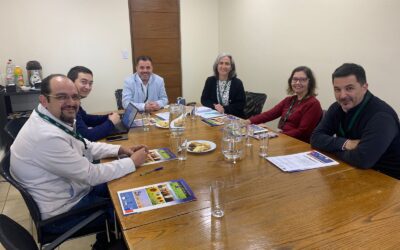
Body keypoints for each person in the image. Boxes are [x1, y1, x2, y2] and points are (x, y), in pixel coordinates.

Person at [10, 74, 148, 239]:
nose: (71, 102)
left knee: (130, 182)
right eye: (61, 97)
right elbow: (90, 175)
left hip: (70, 190)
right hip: (63, 214)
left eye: (75, 97)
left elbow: (85, 145)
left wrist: (120, 149)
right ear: (44, 100)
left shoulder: (53, 118)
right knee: (136, 209)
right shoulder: (46, 136)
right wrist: (131, 162)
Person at [311, 63, 400, 179]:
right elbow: (315, 138)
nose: (342, 96)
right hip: (351, 170)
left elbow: (363, 159)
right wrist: (345, 144)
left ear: (364, 87)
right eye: (337, 89)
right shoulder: (336, 108)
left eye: (349, 88)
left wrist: (330, 148)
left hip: (386, 181)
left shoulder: (382, 116)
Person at [247, 66, 322, 142]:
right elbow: (269, 114)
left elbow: (302, 132)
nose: (297, 83)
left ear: (310, 82)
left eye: (302, 80)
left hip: (297, 144)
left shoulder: (313, 104)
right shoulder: (289, 100)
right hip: (283, 139)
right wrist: (249, 121)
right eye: (295, 79)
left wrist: (277, 134)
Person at [67, 66, 121, 141]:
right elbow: (87, 136)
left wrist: (108, 117)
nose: (88, 87)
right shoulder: (68, 105)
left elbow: (86, 119)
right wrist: (111, 122)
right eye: (83, 82)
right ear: (70, 82)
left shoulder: (75, 100)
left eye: (90, 83)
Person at [201, 53, 246, 118]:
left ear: (231, 67)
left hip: (233, 118)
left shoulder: (237, 83)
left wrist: (224, 109)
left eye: (227, 64)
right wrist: (215, 106)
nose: (223, 66)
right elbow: (204, 99)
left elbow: (240, 104)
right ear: (217, 66)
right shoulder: (210, 80)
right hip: (215, 117)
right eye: (221, 63)